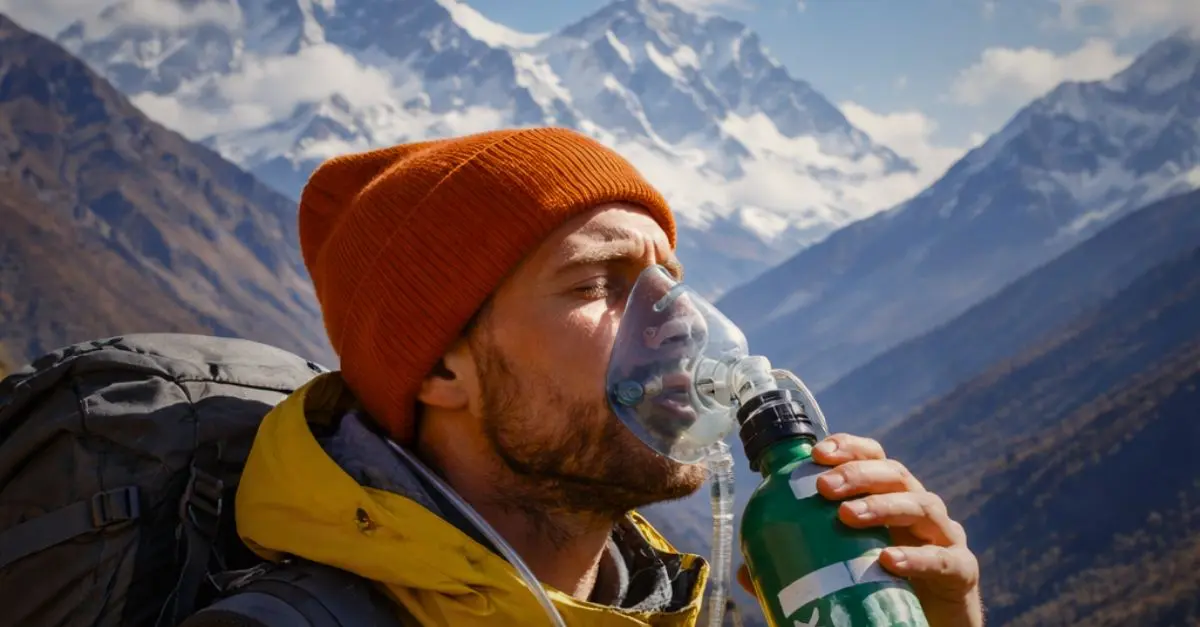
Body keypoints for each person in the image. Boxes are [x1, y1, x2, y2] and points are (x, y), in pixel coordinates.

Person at [185, 127, 983, 626]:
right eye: (599, 282)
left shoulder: (643, 605)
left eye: (670, 278)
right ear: (440, 366)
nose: (680, 319)